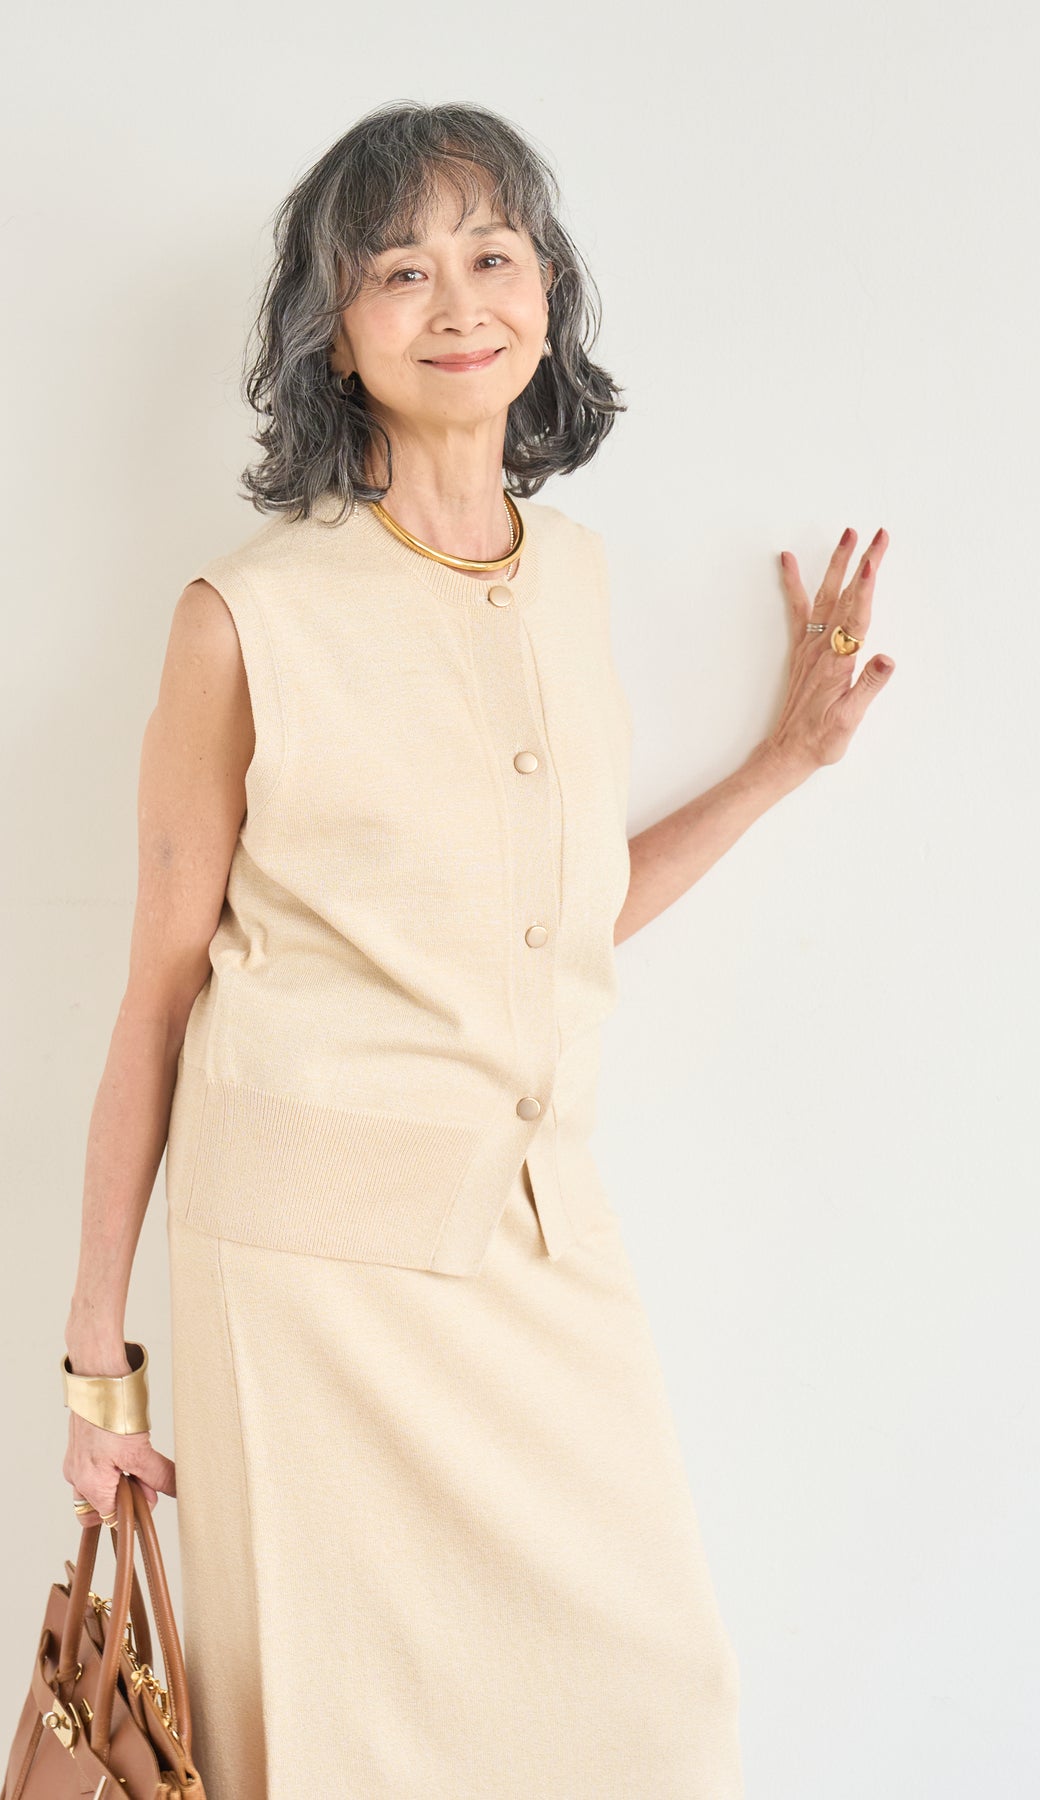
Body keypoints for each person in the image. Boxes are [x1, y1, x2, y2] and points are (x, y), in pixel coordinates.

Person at [59, 100, 893, 1799]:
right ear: (336, 336)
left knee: (661, 1697)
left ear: (545, 293)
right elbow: (154, 1001)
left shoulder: (573, 578)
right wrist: (98, 1374)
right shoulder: (246, 616)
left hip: (535, 1232)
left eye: (491, 254)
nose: (456, 300)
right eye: (398, 270)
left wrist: (780, 767)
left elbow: (558, 919)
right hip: (303, 1274)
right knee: (345, 1743)